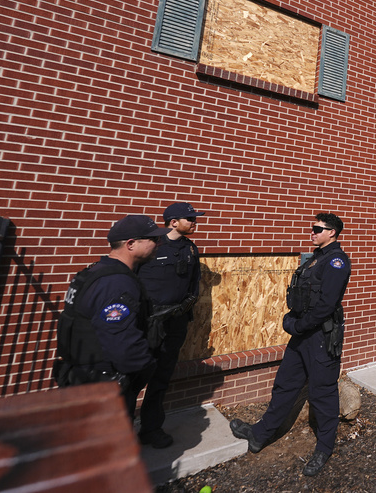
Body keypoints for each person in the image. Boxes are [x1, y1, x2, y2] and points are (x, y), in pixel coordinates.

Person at [230, 212, 351, 477]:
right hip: (303, 335)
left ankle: (324, 448)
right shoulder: (316, 258)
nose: (312, 232)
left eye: (317, 229)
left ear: (332, 232)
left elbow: (326, 305)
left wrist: (297, 325)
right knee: (285, 384)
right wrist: (293, 319)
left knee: (322, 394)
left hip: (321, 338)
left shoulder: (336, 261)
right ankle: (260, 434)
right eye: (312, 228)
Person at [54, 215, 166, 418]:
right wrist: (146, 366)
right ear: (131, 244)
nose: (159, 244)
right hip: (102, 383)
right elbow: (122, 344)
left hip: (84, 376)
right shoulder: (116, 283)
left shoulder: (95, 272)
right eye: (153, 239)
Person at [135, 202, 205, 449]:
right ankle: (119, 431)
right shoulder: (151, 245)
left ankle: (151, 428)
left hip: (175, 322)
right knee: (133, 377)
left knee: (161, 376)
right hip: (147, 322)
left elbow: (193, 283)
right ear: (173, 222)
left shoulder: (190, 249)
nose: (194, 222)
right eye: (190, 219)